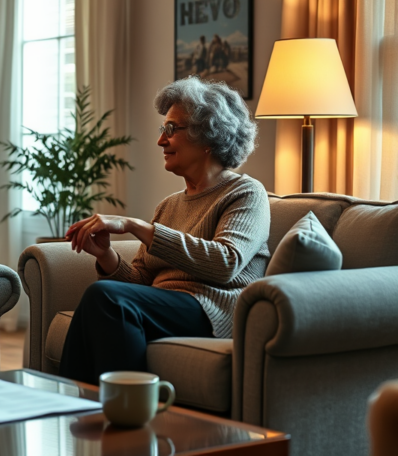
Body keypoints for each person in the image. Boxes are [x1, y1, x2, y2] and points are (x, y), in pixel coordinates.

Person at [58, 77, 270, 385]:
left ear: (208, 134)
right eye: (163, 130)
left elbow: (226, 263)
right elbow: (141, 281)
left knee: (105, 297)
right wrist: (105, 255)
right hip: (167, 307)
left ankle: (119, 409)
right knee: (104, 300)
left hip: (214, 309)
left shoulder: (246, 193)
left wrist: (135, 225)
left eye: (171, 129)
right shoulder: (168, 206)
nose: (161, 141)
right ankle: (80, 409)